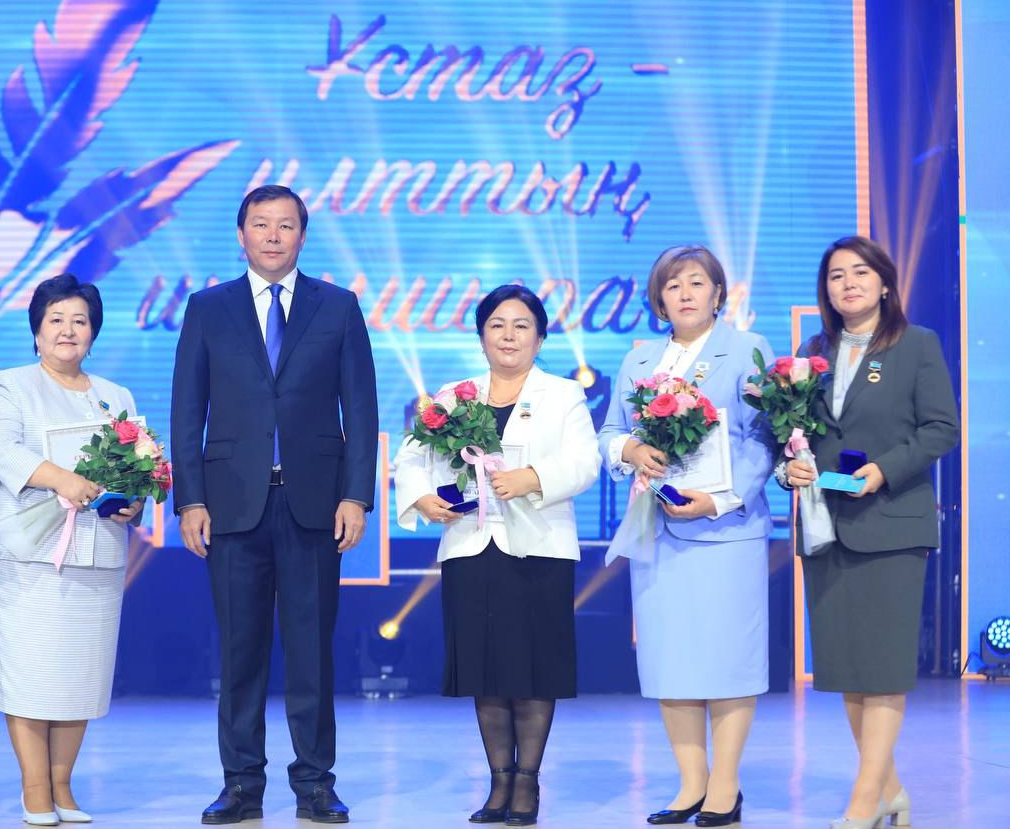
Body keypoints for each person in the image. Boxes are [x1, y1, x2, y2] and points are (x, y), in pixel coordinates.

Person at [171, 184, 378, 825]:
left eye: (285, 225)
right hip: (232, 506)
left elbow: (361, 409)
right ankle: (241, 786)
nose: (272, 235)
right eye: (260, 224)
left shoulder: (337, 307)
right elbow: (187, 411)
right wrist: (189, 500)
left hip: (314, 504)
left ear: (302, 236)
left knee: (312, 653)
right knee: (240, 655)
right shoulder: (208, 308)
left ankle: (315, 784)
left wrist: (356, 494)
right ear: (241, 235)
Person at [394, 284, 600, 827]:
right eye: (497, 325)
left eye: (521, 325)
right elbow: (411, 458)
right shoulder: (453, 397)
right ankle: (498, 782)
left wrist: (533, 477)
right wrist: (422, 498)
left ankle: (527, 783)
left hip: (539, 547)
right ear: (482, 335)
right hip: (471, 545)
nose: (509, 335)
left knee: (533, 670)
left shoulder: (562, 395)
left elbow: (585, 462)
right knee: (484, 672)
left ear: (540, 337)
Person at [780, 235, 958, 829]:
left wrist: (883, 470)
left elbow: (941, 428)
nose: (848, 283)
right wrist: (790, 466)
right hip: (826, 525)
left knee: (881, 669)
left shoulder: (916, 344)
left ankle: (865, 801)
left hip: (892, 524)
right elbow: (796, 433)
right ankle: (891, 789)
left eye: (860, 272)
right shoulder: (812, 352)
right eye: (836, 275)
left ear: (884, 283)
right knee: (848, 672)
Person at [597, 246, 775, 827]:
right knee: (670, 659)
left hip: (727, 528)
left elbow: (766, 437)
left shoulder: (746, 349)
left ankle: (725, 784)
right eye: (673, 286)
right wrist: (631, 449)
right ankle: (690, 783)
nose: (686, 294)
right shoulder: (640, 359)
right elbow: (610, 432)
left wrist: (720, 498)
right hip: (658, 528)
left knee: (727, 658)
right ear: (659, 299)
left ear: (718, 293)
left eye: (697, 283)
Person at [0, 273, 147, 826]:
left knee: (79, 676)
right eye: (56, 319)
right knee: (30, 674)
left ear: (93, 333)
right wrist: (62, 479)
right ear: (37, 330)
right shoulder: (13, 384)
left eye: (80, 320)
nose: (68, 330)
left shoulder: (116, 396)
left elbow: (136, 468)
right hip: (33, 555)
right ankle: (35, 791)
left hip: (97, 556)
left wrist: (134, 503)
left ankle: (63, 788)